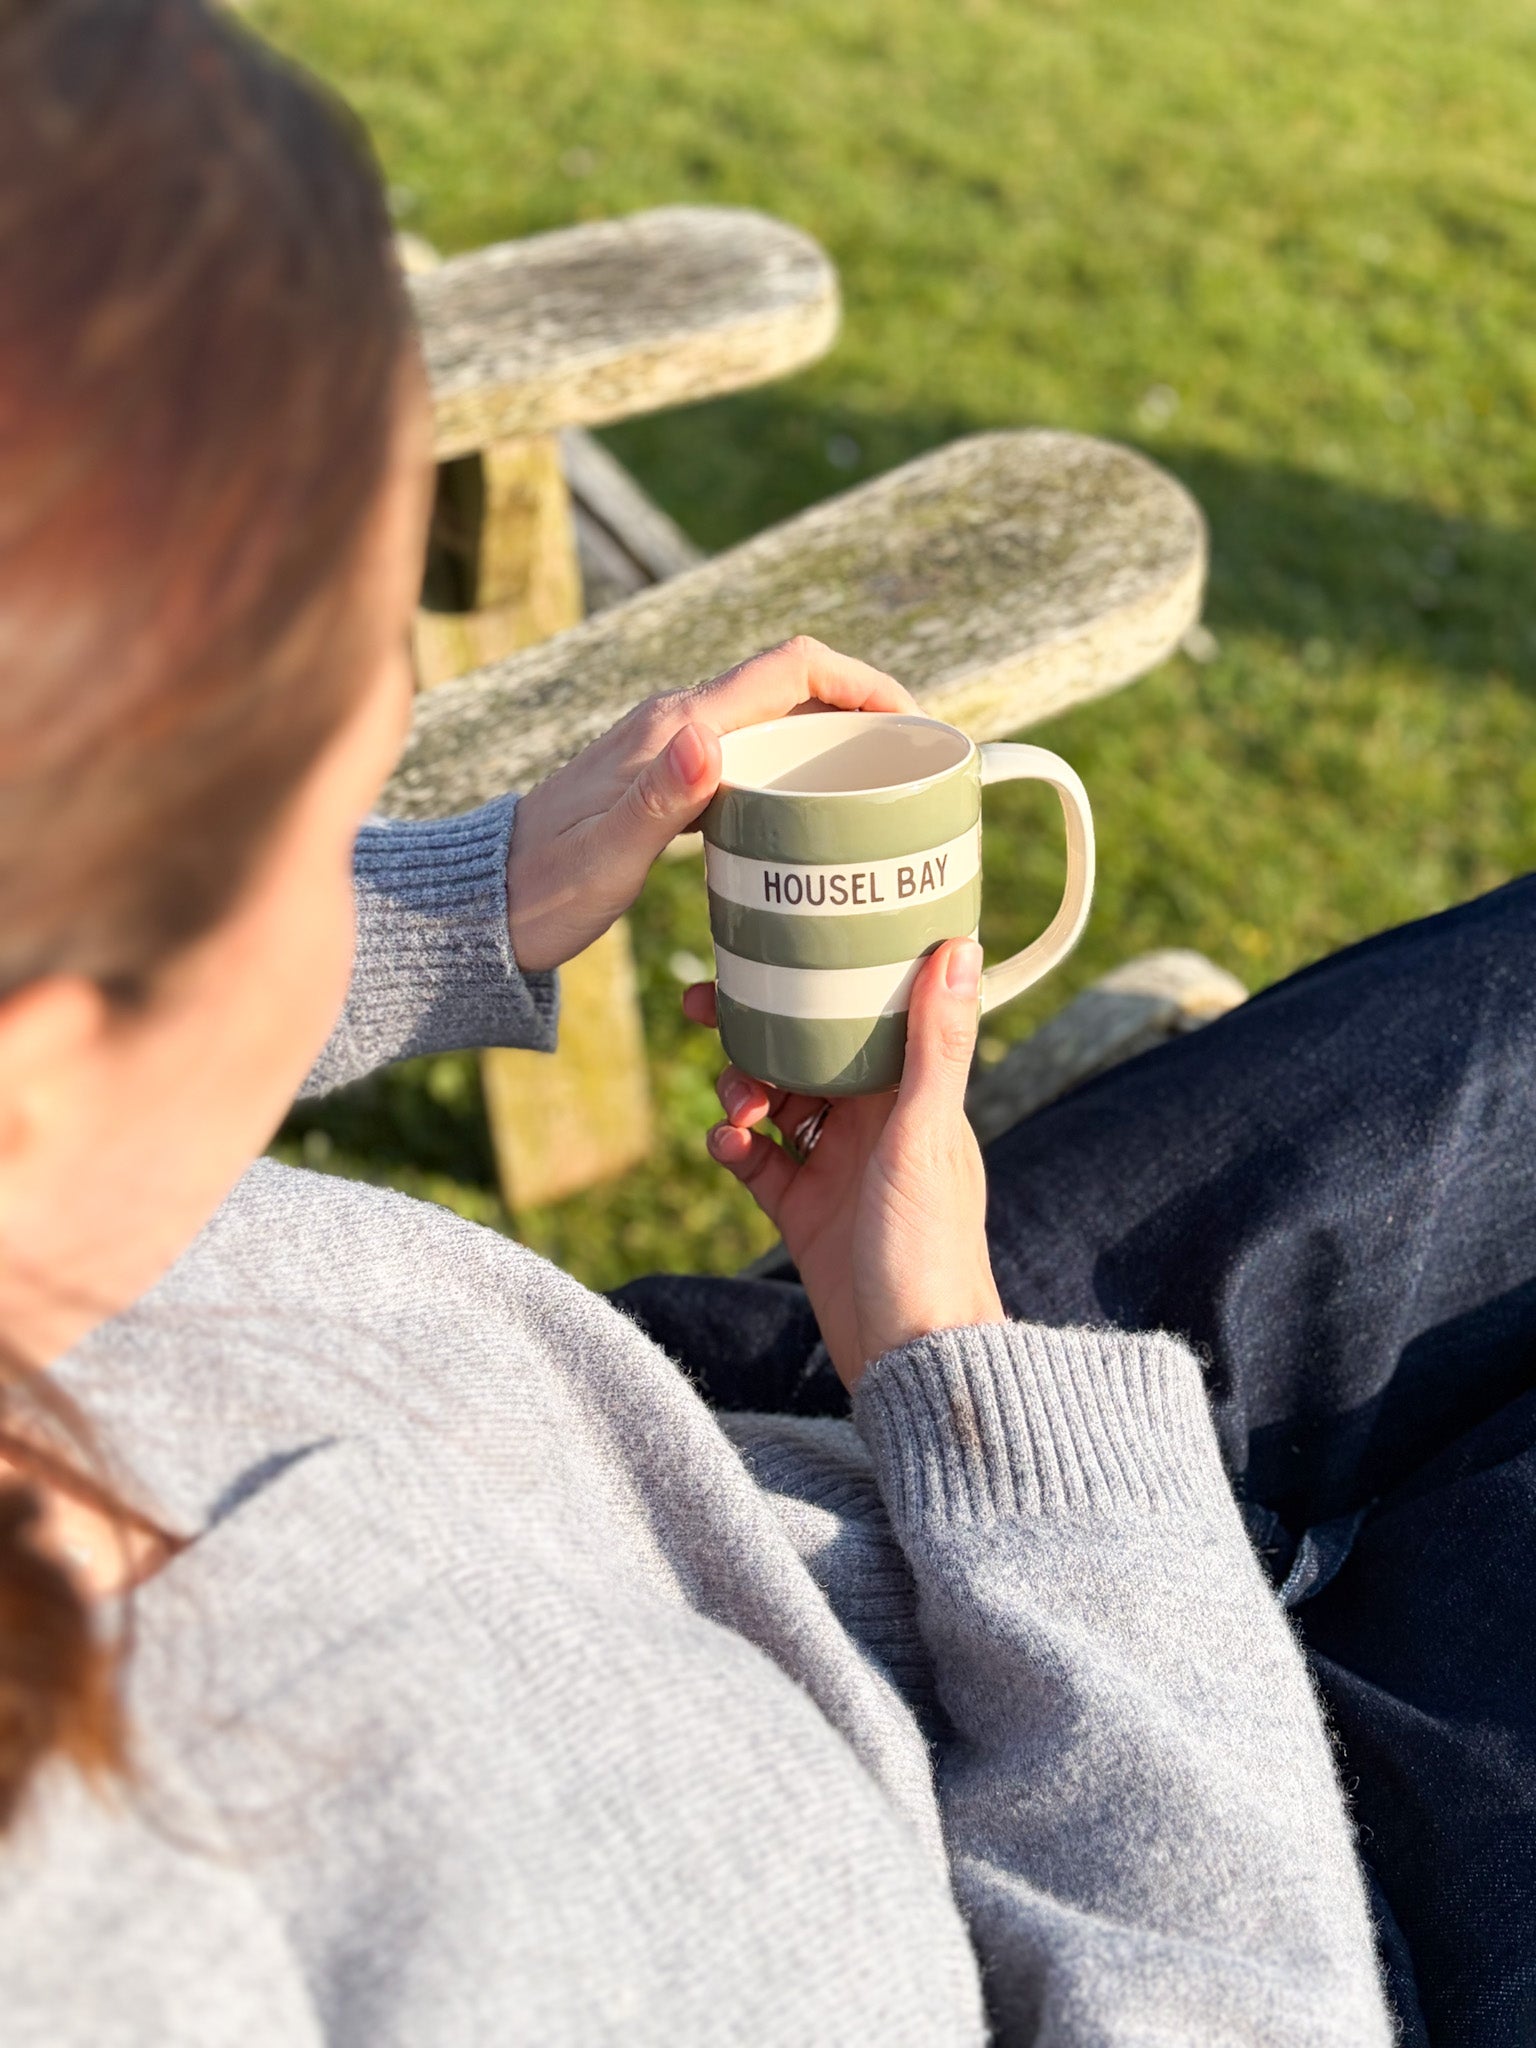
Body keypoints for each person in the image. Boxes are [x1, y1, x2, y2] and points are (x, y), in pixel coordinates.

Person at [3, 1, 1493, 2041]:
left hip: (796, 1426)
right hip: (1238, 1860)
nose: (367, 832)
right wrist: (984, 1403)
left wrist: (482, 887)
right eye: (340, 784)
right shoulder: (203, 1935)